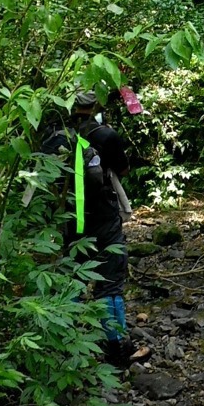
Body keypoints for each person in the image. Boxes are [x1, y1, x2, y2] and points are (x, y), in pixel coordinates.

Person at [70, 89, 144, 365]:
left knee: (75, 279)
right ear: (96, 106)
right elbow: (123, 170)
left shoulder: (58, 137)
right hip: (103, 216)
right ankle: (116, 347)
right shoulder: (105, 135)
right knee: (110, 284)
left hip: (72, 222)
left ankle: (69, 342)